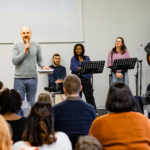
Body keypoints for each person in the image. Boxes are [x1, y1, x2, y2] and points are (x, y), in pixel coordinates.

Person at [89, 82, 150, 150]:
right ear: (131, 98)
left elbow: (90, 146)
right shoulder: (144, 120)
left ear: (109, 100)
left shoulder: (99, 123)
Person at [12, 26, 50, 107]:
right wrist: (24, 51)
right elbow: (14, 61)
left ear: (31, 33)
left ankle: (30, 120)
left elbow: (40, 60)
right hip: (19, 79)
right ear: (21, 34)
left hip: (33, 78)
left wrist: (43, 66)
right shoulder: (16, 45)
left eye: (27, 33)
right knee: (18, 104)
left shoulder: (36, 45)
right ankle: (21, 119)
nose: (26, 35)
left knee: (31, 104)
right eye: (24, 33)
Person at [70, 44, 97, 111]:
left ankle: (93, 111)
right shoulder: (73, 58)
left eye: (80, 49)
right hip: (76, 80)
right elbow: (73, 68)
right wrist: (81, 65)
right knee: (77, 97)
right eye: (77, 49)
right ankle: (78, 112)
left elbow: (88, 67)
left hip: (86, 79)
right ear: (75, 50)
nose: (78, 50)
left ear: (82, 50)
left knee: (90, 96)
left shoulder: (87, 58)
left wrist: (79, 67)